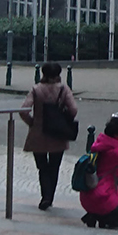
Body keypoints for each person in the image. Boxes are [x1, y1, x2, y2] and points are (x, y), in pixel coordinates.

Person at [19, 62, 78, 211]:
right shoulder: (64, 89)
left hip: (38, 133)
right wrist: (63, 119)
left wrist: (32, 123)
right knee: (54, 167)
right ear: (58, 74)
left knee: (42, 167)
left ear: (43, 74)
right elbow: (73, 109)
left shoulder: (36, 89)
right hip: (58, 133)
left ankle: (45, 196)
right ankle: (49, 197)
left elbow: (23, 110)